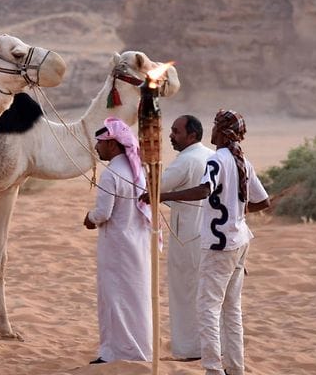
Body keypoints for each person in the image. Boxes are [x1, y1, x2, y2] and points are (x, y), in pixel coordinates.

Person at [141, 109, 270, 375]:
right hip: (240, 240)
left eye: (214, 126)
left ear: (222, 132)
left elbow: (203, 190)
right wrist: (236, 210)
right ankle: (236, 368)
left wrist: (161, 195)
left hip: (219, 244)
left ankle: (213, 369)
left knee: (208, 309)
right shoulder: (243, 160)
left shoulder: (217, 160)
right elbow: (263, 202)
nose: (210, 131)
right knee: (231, 309)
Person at [83, 117, 152, 364]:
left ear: (112, 144)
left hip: (117, 245)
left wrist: (89, 218)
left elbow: (102, 214)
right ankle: (138, 349)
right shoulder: (136, 170)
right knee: (136, 297)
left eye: (99, 143)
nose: (96, 148)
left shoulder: (112, 173)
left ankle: (115, 353)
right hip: (138, 243)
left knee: (114, 298)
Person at [159, 115, 212, 361]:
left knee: (184, 292)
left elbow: (155, 187)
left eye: (176, 131)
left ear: (192, 135)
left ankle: (189, 350)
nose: (171, 136)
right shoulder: (212, 155)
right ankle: (210, 346)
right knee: (208, 294)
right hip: (212, 236)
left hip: (187, 237)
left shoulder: (186, 161)